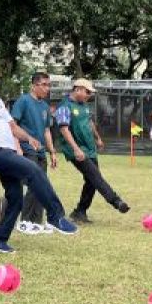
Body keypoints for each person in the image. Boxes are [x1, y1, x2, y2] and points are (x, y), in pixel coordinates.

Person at [0, 68, 78, 254]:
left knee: (15, 198)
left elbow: (12, 126)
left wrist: (28, 138)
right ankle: (55, 216)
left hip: (8, 151)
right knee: (33, 171)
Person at [55, 78, 131, 224]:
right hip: (76, 151)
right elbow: (64, 129)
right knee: (96, 177)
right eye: (87, 92)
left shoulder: (84, 106)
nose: (89, 95)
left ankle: (80, 212)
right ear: (77, 89)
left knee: (91, 181)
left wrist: (97, 138)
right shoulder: (64, 106)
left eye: (90, 92)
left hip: (90, 149)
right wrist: (76, 149)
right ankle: (116, 202)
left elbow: (89, 122)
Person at [9, 72, 60, 234]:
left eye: (49, 85)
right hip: (27, 149)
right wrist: (17, 147)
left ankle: (36, 222)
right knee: (33, 185)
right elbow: (12, 126)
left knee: (42, 185)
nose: (47, 88)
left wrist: (52, 152)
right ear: (34, 85)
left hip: (41, 152)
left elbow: (46, 131)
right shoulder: (23, 101)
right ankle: (24, 221)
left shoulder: (45, 106)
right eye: (44, 85)